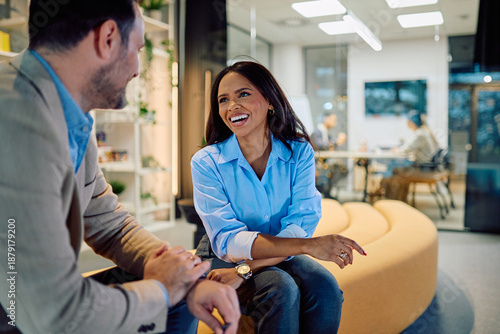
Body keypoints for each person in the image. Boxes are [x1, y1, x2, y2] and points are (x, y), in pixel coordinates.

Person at [0, 1, 240, 334]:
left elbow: (108, 223)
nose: (139, 69)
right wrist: (162, 289)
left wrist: (182, 275)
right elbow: (55, 313)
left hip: (33, 302)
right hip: (15, 312)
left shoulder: (69, 116)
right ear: (108, 38)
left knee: (180, 290)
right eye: (138, 49)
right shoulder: (20, 121)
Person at [190, 61, 366, 334]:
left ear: (270, 101)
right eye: (223, 100)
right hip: (223, 254)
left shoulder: (298, 151)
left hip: (280, 250)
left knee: (326, 289)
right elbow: (228, 241)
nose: (232, 106)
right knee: (280, 288)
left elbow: (302, 219)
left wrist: (247, 269)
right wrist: (304, 246)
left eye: (243, 94)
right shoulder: (207, 162)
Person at [378, 110, 439, 201]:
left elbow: (405, 150)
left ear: (410, 123)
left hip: (422, 168)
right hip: (427, 166)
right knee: (396, 171)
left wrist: (396, 150)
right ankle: (399, 200)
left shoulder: (420, 134)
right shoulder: (425, 132)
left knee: (394, 172)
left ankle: (392, 200)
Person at [311, 111, 348, 199]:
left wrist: (336, 143)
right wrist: (336, 141)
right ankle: (324, 190)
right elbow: (320, 145)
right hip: (317, 163)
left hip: (324, 163)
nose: (335, 123)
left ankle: (326, 191)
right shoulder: (317, 132)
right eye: (333, 120)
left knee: (342, 170)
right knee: (336, 170)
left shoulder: (326, 133)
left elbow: (332, 146)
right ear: (326, 119)